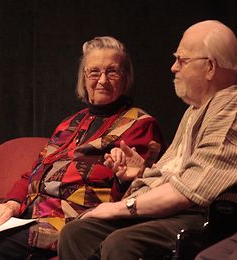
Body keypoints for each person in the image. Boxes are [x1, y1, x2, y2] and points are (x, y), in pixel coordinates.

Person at [58, 20, 237, 260]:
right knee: (77, 233)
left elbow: (192, 191)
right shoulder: (196, 110)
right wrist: (141, 174)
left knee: (121, 243)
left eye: (182, 60)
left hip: (202, 216)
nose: (174, 67)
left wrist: (118, 208)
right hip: (175, 211)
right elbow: (176, 174)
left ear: (211, 67)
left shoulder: (231, 107)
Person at [0, 36, 164, 259]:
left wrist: (125, 177)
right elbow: (33, 173)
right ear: (84, 78)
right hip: (28, 217)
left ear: (125, 78)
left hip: (73, 225)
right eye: (94, 72)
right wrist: (12, 202)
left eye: (112, 72)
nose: (102, 80)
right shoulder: (70, 123)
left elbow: (138, 190)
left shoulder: (140, 124)